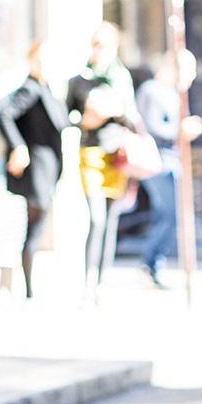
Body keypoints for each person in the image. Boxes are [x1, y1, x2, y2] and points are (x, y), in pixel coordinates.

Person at [66, 22, 143, 298]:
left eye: (106, 45)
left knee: (110, 220)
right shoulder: (79, 80)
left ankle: (101, 284)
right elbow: (67, 117)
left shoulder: (122, 78)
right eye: (96, 44)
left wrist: (117, 111)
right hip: (90, 153)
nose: (100, 50)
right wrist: (83, 120)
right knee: (96, 219)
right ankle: (88, 284)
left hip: (116, 155)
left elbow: (135, 120)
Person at [0, 40, 69, 299]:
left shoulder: (48, 89)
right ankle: (28, 289)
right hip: (37, 169)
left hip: (48, 169)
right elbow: (4, 115)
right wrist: (18, 147)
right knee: (34, 228)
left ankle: (29, 287)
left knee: (35, 227)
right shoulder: (30, 88)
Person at [134, 50, 202, 286]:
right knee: (169, 213)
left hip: (171, 161)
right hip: (157, 162)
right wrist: (180, 131)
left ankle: (153, 264)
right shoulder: (151, 91)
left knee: (171, 214)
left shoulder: (173, 94)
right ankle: (149, 263)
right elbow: (151, 127)